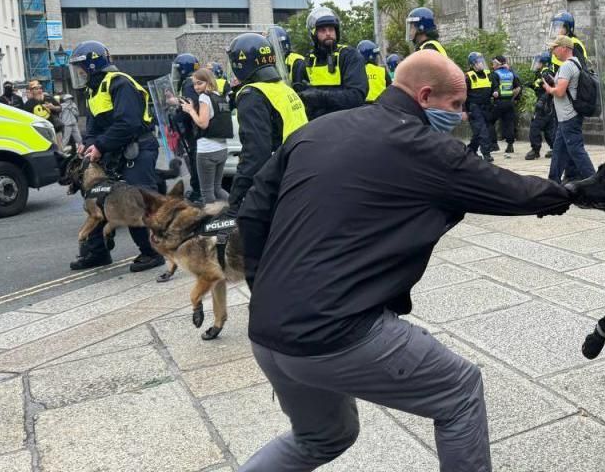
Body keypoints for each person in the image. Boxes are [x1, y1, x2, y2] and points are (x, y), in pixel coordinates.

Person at [235, 49, 570, 472]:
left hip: (265, 331)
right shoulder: (421, 145)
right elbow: (512, 190)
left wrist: (265, 291)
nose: (461, 117)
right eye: (456, 106)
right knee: (459, 391)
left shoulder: (316, 131)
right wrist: (575, 192)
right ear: (425, 96)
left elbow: (251, 214)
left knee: (321, 437)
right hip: (333, 332)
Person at [68, 41, 166, 273]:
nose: (79, 73)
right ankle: (97, 253)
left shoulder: (120, 83)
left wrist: (100, 146)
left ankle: (152, 252)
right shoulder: (95, 88)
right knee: (97, 199)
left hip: (137, 149)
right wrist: (89, 144)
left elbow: (128, 123)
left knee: (136, 202)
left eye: (80, 67)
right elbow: (92, 126)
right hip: (115, 150)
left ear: (93, 65)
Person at [225, 33, 308, 216]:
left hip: (281, 179)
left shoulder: (251, 95)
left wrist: (236, 199)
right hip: (303, 171)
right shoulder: (285, 89)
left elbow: (256, 154)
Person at [291, 7, 367, 120]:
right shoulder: (308, 61)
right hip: (315, 125)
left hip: (345, 124)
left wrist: (318, 96)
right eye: (322, 30)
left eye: (331, 29)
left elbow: (356, 97)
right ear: (313, 34)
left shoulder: (349, 56)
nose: (328, 33)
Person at [179, 68, 232, 207]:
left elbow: (203, 123)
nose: (196, 87)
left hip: (207, 151)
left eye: (200, 83)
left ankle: (211, 223)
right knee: (217, 188)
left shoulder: (204, 97)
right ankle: (237, 207)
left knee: (207, 192)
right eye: (194, 84)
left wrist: (190, 110)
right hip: (222, 149)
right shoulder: (219, 96)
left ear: (208, 82)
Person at [546, 35, 596, 183]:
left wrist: (549, 88)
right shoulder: (577, 63)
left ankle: (594, 181)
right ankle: (553, 181)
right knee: (559, 150)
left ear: (563, 48)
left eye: (554, 48)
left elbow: (560, 92)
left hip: (569, 116)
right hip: (568, 116)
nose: (552, 51)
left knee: (576, 150)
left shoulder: (567, 65)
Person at [170, 53, 203, 203]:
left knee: (195, 160)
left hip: (195, 131)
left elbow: (191, 107)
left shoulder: (189, 84)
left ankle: (198, 192)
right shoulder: (196, 82)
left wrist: (175, 117)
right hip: (200, 131)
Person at [525, 51, 556, 160]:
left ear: (543, 63)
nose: (536, 64)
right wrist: (531, 85)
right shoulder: (543, 73)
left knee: (535, 127)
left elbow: (548, 90)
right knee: (548, 128)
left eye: (538, 62)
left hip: (544, 106)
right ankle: (555, 149)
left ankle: (535, 150)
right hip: (547, 106)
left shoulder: (546, 74)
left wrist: (541, 101)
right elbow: (540, 87)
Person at [464, 51, 494, 162]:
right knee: (482, 131)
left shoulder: (487, 74)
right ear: (473, 64)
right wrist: (464, 110)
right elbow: (463, 94)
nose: (481, 64)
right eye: (478, 62)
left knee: (479, 132)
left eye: (482, 61)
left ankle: (470, 151)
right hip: (474, 107)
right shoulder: (468, 76)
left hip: (486, 106)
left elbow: (493, 88)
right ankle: (486, 154)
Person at [489, 55, 520, 154]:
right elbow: (518, 87)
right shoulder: (511, 73)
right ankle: (510, 145)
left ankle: (494, 145)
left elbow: (492, 89)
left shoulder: (494, 74)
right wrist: (514, 98)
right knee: (509, 123)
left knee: (489, 122)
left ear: (498, 64)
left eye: (493, 63)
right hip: (509, 102)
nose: (492, 65)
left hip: (498, 102)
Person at [21, 80, 64, 149]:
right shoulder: (28, 104)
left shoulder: (48, 98)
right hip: (39, 133)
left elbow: (60, 108)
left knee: (59, 151)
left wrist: (53, 107)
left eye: (40, 88)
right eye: (36, 89)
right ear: (32, 91)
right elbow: (25, 119)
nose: (39, 90)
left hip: (55, 130)